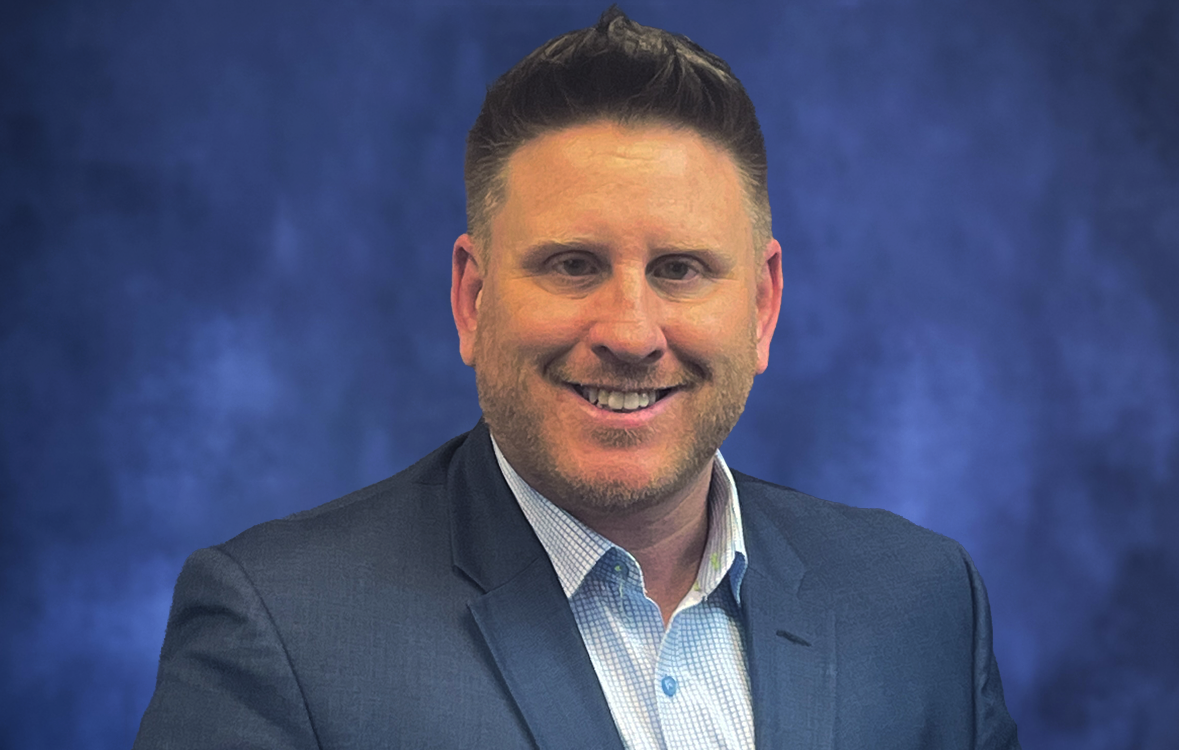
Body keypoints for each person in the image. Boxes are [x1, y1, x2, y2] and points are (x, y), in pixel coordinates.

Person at [134, 7, 1021, 749]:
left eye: (680, 269)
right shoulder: (283, 629)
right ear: (473, 298)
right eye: (571, 265)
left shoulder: (923, 603)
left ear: (761, 306)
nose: (630, 333)